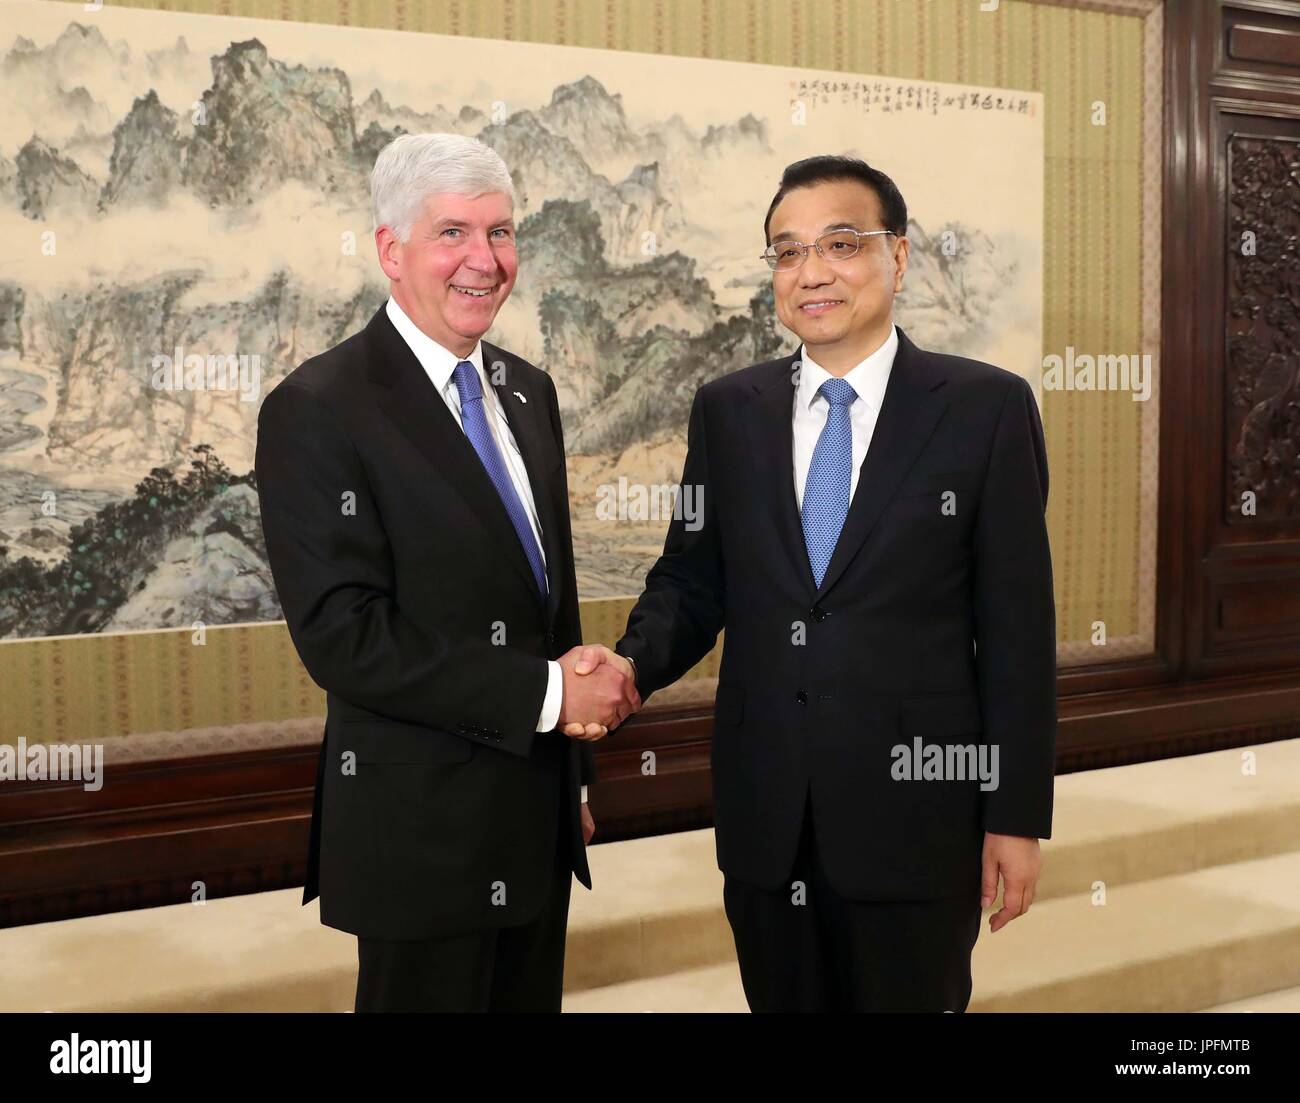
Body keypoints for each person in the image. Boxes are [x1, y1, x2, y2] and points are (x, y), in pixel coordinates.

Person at [578, 155, 1056, 1012]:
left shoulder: (985, 408)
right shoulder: (729, 410)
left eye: (840, 243)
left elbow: (1018, 632)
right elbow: (692, 580)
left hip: (918, 820)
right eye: (787, 251)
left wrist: (1014, 814)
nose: (811, 272)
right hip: (768, 821)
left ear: (897, 256)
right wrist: (627, 666)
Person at [255, 133, 637, 1012]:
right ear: (391, 250)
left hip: (535, 822)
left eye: (500, 232)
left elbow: (549, 602)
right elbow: (346, 639)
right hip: (417, 841)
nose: (484, 260)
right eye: (453, 233)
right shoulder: (317, 408)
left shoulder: (528, 390)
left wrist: (572, 774)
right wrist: (551, 695)